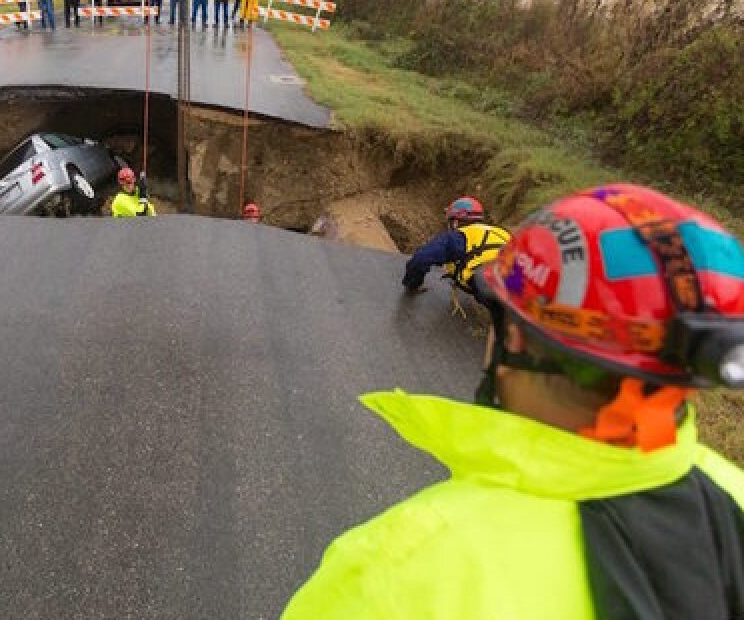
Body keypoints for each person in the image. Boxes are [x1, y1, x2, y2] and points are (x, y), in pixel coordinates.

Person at [281, 183, 744, 619]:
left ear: (515, 337)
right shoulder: (733, 491)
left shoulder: (398, 568)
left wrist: (412, 284)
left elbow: (420, 259)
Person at [403, 195, 510, 316]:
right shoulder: (502, 233)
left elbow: (420, 260)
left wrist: (413, 283)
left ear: (455, 222)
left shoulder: (457, 237)